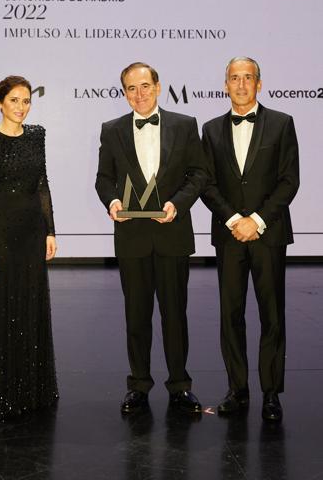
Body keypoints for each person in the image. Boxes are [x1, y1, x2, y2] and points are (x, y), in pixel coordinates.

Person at [95, 62, 206, 414]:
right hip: (132, 237)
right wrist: (112, 201)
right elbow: (103, 178)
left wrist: (178, 203)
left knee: (175, 315)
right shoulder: (111, 130)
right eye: (131, 88)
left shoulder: (184, 125)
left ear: (158, 87)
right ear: (124, 92)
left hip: (173, 233)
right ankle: (139, 385)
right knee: (136, 316)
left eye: (145, 86)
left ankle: (180, 385)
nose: (138, 94)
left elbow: (199, 173)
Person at [201, 56, 299, 422]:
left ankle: (271, 393)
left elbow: (289, 180)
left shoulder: (282, 124)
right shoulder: (210, 130)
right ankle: (237, 390)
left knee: (273, 316)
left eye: (248, 78)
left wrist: (255, 220)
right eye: (233, 78)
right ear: (225, 84)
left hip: (268, 234)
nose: (240, 85)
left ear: (259, 83)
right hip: (228, 237)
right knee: (231, 315)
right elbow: (206, 183)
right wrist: (232, 220)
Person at [0, 75, 58, 419]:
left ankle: (32, 388)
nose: (21, 107)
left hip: (32, 234)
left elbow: (42, 184)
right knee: (1, 309)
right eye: (14, 101)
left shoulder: (37, 136)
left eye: (26, 101)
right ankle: (1, 391)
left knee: (30, 307)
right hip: (0, 236)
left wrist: (51, 230)